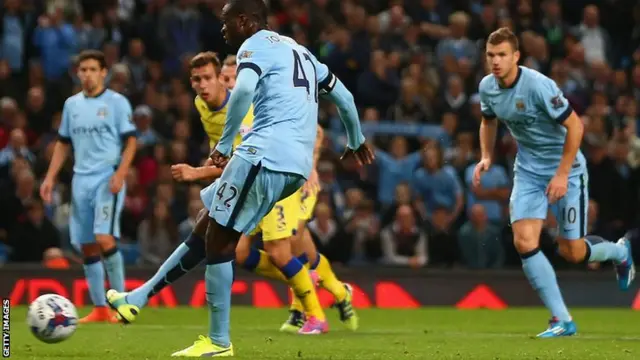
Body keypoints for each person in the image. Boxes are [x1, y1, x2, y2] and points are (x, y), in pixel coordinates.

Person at [475, 27, 634, 338]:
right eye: (491, 55)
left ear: (516, 57)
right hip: (529, 171)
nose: (495, 61)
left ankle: (619, 253)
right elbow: (487, 120)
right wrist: (485, 156)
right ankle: (562, 320)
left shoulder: (538, 86)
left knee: (572, 252)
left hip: (568, 170)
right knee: (524, 241)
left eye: (502, 55)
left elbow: (576, 126)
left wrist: (562, 174)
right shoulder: (487, 87)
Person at [40, 50, 137, 323]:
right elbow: (62, 142)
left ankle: (122, 306)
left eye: (93, 69)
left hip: (107, 177)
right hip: (80, 180)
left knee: (104, 238)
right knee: (87, 246)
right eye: (83, 70)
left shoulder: (117, 103)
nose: (87, 74)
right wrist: (49, 177)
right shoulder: (72, 105)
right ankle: (99, 309)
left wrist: (121, 173)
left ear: (104, 72)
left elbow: (131, 141)